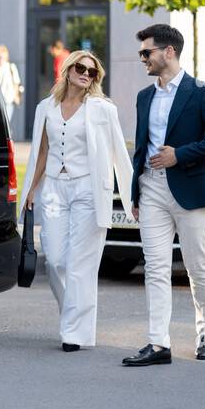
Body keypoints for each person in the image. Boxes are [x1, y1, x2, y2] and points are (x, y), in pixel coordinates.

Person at [122, 24, 205, 366]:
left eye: (147, 52)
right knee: (155, 267)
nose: (143, 58)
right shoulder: (145, 96)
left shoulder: (201, 92)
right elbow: (141, 149)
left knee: (197, 265)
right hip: (151, 187)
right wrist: (136, 193)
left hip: (190, 188)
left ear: (168, 52)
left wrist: (180, 154)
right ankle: (158, 343)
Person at [19, 50, 133, 351]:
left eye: (92, 72)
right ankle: (74, 314)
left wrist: (132, 192)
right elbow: (42, 151)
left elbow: (119, 152)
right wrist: (31, 189)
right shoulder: (46, 107)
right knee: (55, 260)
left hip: (87, 189)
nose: (86, 74)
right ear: (68, 71)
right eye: (81, 68)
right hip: (55, 188)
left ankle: (74, 333)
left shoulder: (101, 109)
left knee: (81, 263)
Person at [0, 44, 23, 129]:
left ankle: (6, 139)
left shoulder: (11, 67)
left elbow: (16, 82)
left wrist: (16, 95)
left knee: (6, 121)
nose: (1, 57)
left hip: (8, 99)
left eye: (3, 55)